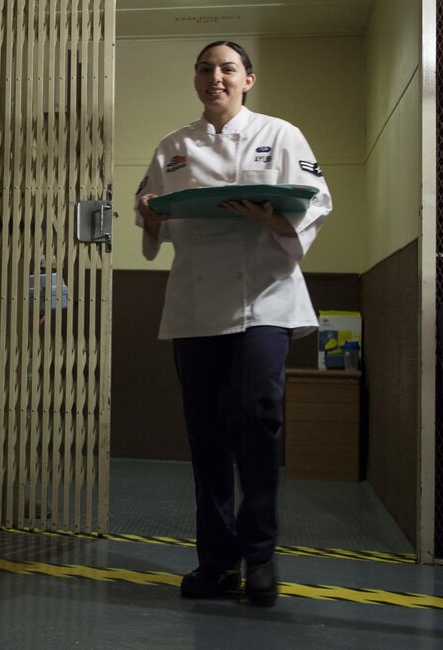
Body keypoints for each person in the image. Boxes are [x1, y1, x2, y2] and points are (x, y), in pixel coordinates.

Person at [134, 41, 331, 607]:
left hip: (264, 301)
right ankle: (217, 563)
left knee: (258, 424)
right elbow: (152, 214)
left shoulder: (281, 133)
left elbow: (316, 201)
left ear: (248, 79)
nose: (214, 77)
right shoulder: (173, 147)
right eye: (205, 69)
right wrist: (148, 214)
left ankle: (261, 557)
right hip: (196, 308)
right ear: (195, 80)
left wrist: (275, 218)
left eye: (227, 69)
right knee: (207, 436)